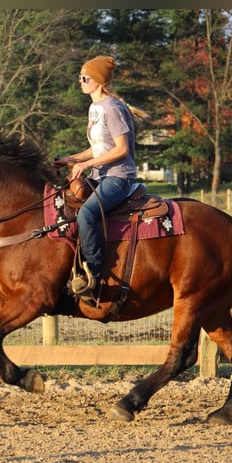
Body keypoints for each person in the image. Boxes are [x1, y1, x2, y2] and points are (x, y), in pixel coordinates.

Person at [54, 55, 148, 297]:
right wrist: (71, 159)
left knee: (86, 214)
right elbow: (98, 149)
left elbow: (121, 149)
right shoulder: (95, 108)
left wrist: (86, 165)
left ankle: (94, 276)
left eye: (85, 78)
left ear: (97, 80)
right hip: (100, 175)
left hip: (118, 178)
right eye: (80, 77)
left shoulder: (113, 109)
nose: (81, 81)